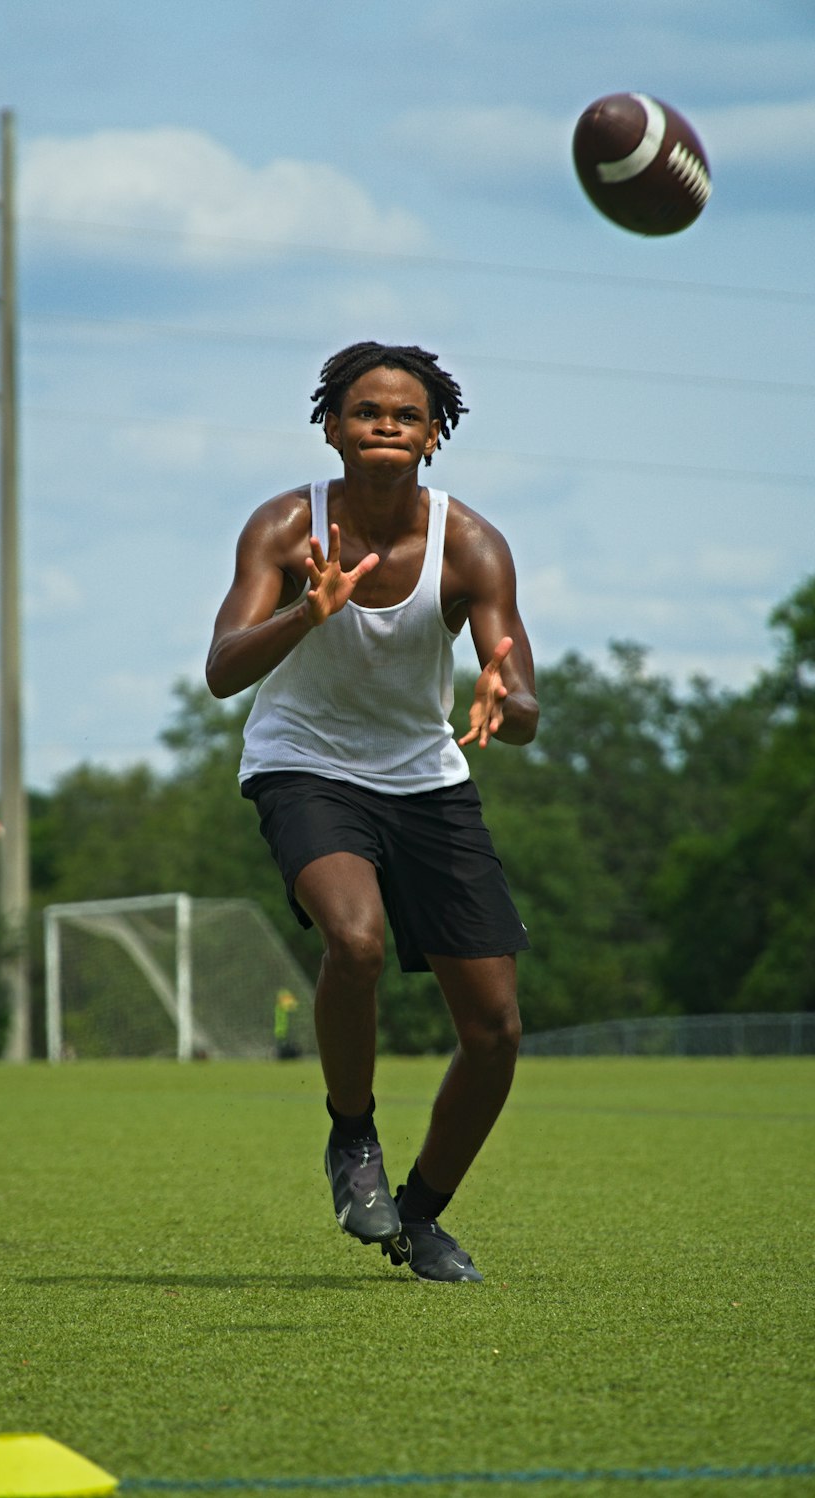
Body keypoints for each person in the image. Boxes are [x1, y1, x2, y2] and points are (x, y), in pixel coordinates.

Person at [206, 341, 539, 1283]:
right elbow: (223, 670)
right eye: (366, 411)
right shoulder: (283, 525)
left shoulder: (470, 545)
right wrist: (305, 615)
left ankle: (419, 1217)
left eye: (406, 413)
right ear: (333, 428)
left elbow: (522, 707)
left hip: (424, 778)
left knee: (496, 1030)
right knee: (354, 940)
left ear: (435, 435)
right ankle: (353, 1138)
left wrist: (502, 699)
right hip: (303, 767)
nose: (386, 423)